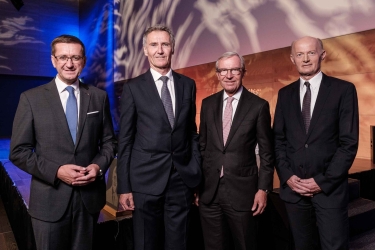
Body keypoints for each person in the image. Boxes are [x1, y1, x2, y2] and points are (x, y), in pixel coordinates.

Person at [9, 34, 116, 250]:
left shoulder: (98, 97)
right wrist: (57, 171)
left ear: (83, 61)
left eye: (76, 58)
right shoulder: (31, 98)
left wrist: (98, 166)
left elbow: (109, 143)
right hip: (49, 200)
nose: (69, 63)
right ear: (53, 60)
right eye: (64, 57)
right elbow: (18, 152)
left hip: (89, 201)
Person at [117, 25, 201, 250]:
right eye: (154, 45)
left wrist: (195, 173)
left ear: (173, 48)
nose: (160, 50)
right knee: (146, 243)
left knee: (179, 244)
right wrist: (124, 187)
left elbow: (191, 133)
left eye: (165, 44)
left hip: (181, 180)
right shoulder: (133, 88)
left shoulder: (188, 85)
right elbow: (125, 140)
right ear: (145, 50)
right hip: (144, 181)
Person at [274, 36, 359, 250]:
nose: (305, 59)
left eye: (311, 53)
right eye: (299, 54)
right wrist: (287, 177)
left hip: (328, 191)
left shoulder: (343, 90)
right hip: (294, 191)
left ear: (322, 55)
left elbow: (348, 143)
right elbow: (278, 140)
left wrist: (323, 180)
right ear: (292, 59)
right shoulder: (284, 94)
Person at [197, 51, 274, 250]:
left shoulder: (258, 106)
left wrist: (263, 189)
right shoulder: (207, 104)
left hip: (243, 194)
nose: (228, 75)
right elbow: (202, 146)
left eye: (234, 70)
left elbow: (267, 153)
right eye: (223, 70)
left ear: (243, 72)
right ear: (217, 74)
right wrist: (197, 185)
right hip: (209, 193)